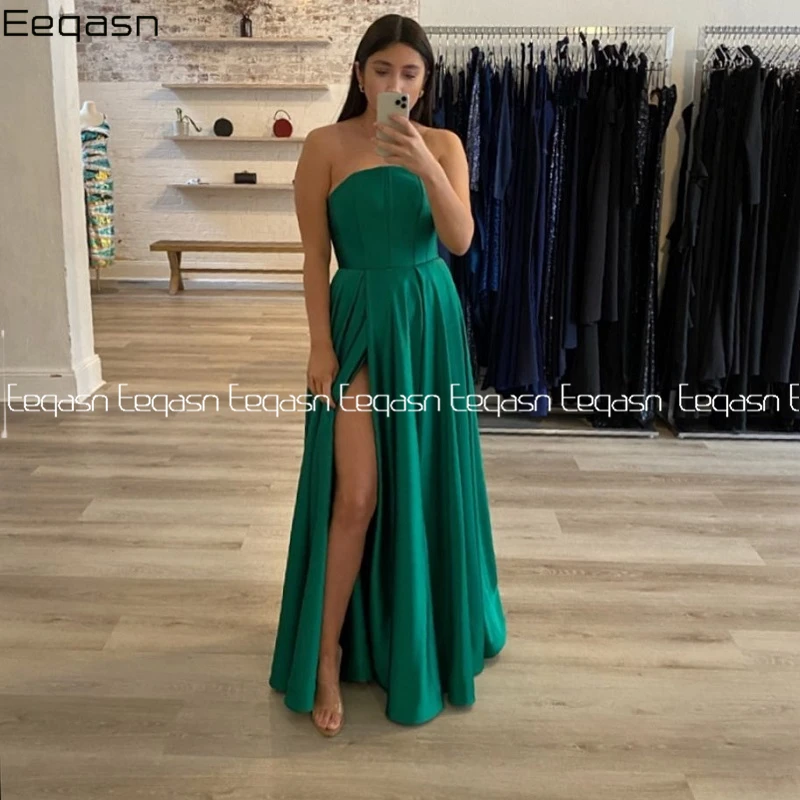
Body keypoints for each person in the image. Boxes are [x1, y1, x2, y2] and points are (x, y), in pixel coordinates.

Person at [268, 13, 506, 737]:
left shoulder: (445, 144)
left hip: (427, 324)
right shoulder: (324, 145)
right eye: (381, 70)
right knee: (357, 494)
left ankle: (417, 629)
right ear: (359, 73)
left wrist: (424, 162)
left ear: (423, 83)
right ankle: (326, 652)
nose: (393, 83)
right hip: (358, 324)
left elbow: (460, 240)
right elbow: (314, 257)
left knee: (424, 482)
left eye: (409, 73)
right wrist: (319, 346)